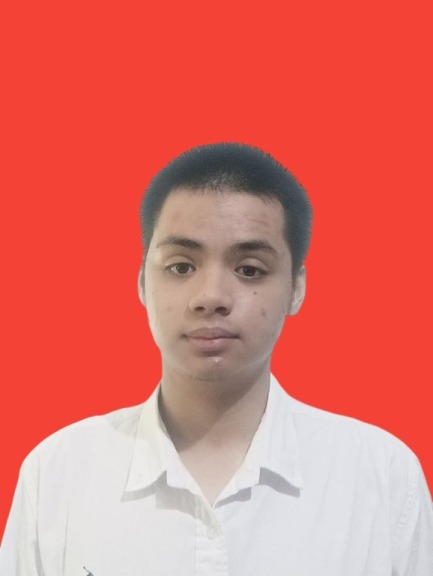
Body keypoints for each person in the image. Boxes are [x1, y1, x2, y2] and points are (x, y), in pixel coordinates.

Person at [1, 143, 432, 575]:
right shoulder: (59, 472)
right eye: (181, 267)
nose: (210, 297)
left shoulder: (382, 477)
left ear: (296, 288)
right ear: (143, 282)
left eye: (249, 269)